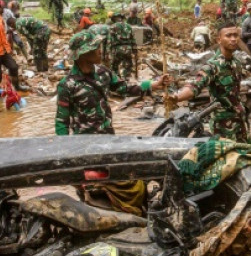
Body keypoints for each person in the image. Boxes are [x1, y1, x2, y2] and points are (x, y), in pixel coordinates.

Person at [55, 31, 169, 214]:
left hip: (108, 141)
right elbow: (61, 122)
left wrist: (153, 85)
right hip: (84, 147)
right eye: (95, 48)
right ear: (84, 53)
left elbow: (124, 87)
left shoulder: (103, 73)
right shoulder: (67, 85)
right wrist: (65, 155)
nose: (100, 50)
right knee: (90, 187)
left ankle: (130, 213)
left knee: (128, 180)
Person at [167, 21, 251, 143]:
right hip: (223, 126)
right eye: (228, 36)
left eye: (235, 35)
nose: (233, 39)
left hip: (239, 122)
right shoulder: (212, 66)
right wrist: (176, 97)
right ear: (219, 40)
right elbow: (194, 87)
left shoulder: (236, 63)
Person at [108, 12, 137, 79]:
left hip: (118, 49)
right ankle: (126, 80)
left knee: (115, 66)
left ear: (114, 19)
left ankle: (117, 80)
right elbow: (133, 39)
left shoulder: (113, 27)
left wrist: (109, 52)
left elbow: (110, 41)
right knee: (127, 65)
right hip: (128, 49)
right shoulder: (129, 26)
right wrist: (135, 50)